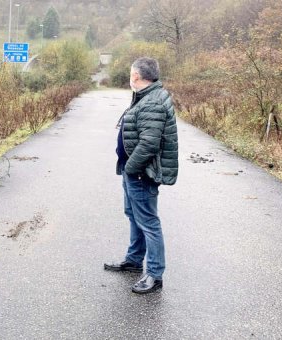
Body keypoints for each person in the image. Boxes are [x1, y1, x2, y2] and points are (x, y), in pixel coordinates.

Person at [104, 57, 178, 294]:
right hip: (133, 172)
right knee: (134, 215)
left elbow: (148, 144)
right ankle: (134, 261)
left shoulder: (152, 102)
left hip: (140, 173)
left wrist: (131, 168)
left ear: (136, 75)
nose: (129, 77)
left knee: (148, 221)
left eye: (130, 73)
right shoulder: (147, 97)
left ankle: (155, 274)